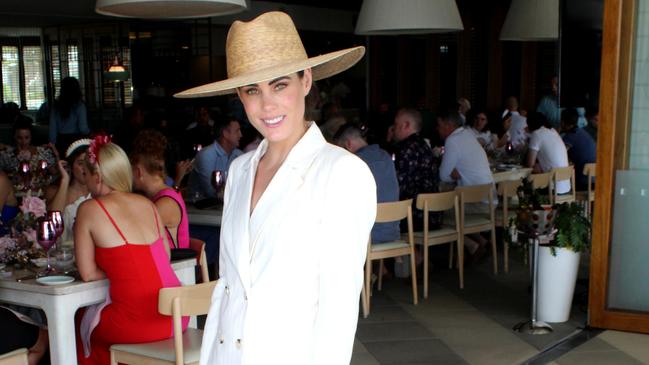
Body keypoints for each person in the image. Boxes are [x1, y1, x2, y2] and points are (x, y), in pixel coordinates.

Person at [174, 11, 375, 364]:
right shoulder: (239, 171)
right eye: (253, 90)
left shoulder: (342, 173)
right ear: (240, 95)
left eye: (279, 84)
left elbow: (337, 309)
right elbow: (228, 289)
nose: (267, 105)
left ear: (306, 80)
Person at [74, 136, 187, 365]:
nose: (85, 184)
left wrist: (118, 271)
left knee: (76, 325)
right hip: (176, 315)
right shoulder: (148, 204)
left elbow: (87, 274)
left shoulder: (89, 209)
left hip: (137, 321)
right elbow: (163, 257)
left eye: (86, 176)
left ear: (97, 177)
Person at [438, 111, 495, 260]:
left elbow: (443, 176)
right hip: (489, 201)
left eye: (439, 125)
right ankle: (482, 241)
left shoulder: (452, 140)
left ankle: (472, 246)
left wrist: (455, 172)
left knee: (436, 213)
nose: (437, 129)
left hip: (476, 204)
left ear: (448, 125)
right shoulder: (468, 135)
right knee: (456, 208)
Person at [334, 123, 399, 244]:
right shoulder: (385, 156)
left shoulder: (353, 162)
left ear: (348, 144)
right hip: (393, 230)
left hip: (368, 235)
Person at [131, 129, 190, 250]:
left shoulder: (166, 203)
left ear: (138, 172)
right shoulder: (159, 197)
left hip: (175, 267)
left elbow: (132, 233)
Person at [45, 139, 91, 243]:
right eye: (80, 163)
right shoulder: (54, 191)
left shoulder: (100, 193)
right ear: (70, 165)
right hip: (63, 253)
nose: (86, 168)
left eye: (89, 163)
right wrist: (65, 180)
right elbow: (51, 225)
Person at [187, 117, 243, 200]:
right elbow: (211, 191)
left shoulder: (239, 155)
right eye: (237, 131)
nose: (241, 135)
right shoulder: (206, 155)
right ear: (225, 134)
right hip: (200, 209)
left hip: (225, 207)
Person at [0, 119, 57, 191]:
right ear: (14, 137)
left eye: (27, 138)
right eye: (19, 138)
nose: (23, 142)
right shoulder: (7, 155)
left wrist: (56, 155)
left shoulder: (42, 152)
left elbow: (55, 172)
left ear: (31, 137)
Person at [526, 112, 571, 193]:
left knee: (527, 186)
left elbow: (530, 164)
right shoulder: (553, 131)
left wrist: (540, 166)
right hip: (566, 188)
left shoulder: (536, 134)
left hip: (552, 189)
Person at [49, 77, 89, 153]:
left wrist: (52, 145)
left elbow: (52, 130)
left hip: (60, 142)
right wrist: (90, 133)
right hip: (76, 142)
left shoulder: (56, 106)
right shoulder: (80, 105)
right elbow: (83, 128)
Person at [561, 108, 596, 190]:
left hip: (583, 182)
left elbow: (560, 154)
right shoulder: (582, 132)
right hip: (595, 179)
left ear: (562, 122)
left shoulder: (569, 137)